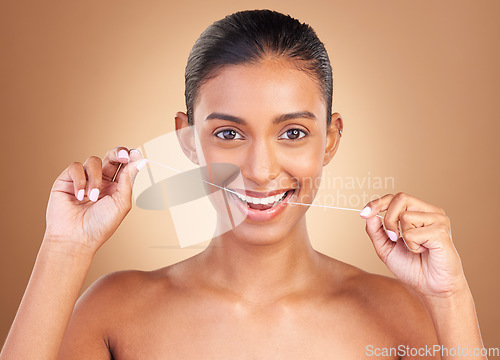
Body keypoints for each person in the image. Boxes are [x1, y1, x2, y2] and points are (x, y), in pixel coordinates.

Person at [0, 9, 486, 360]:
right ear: (187, 140)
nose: (259, 169)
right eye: (229, 134)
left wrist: (450, 297)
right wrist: (64, 250)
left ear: (331, 139)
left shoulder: (402, 316)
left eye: (292, 133)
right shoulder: (113, 313)